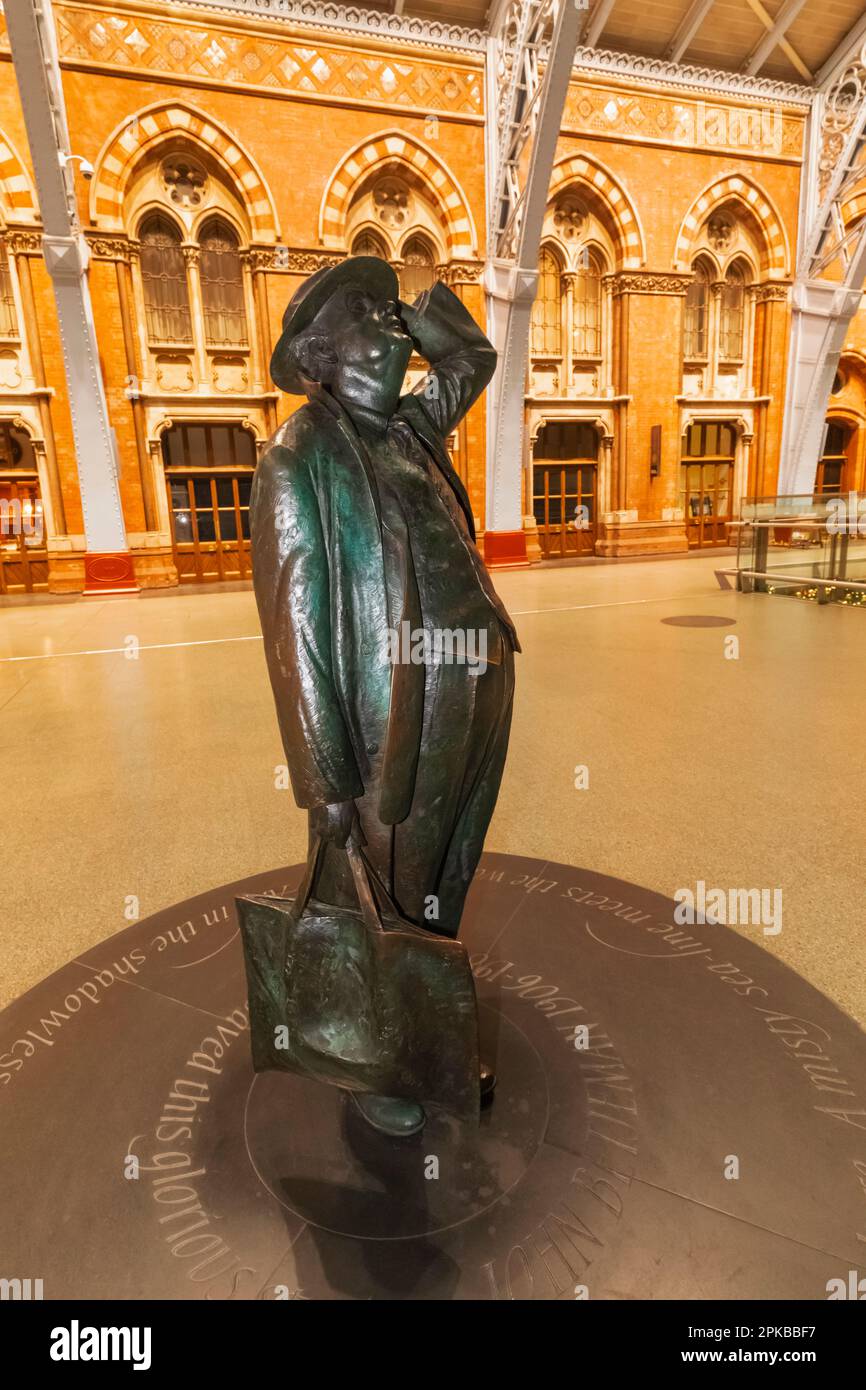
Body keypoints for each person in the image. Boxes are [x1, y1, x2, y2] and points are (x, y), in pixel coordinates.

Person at [250, 256, 519, 1136]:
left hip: (474, 685)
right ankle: (383, 1061)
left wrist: (421, 306)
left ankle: (425, 1027)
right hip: (389, 718)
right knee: (390, 890)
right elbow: (294, 633)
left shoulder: (409, 427)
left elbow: (471, 361)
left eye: (391, 310)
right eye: (374, 314)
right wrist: (324, 780)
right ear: (325, 353)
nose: (393, 325)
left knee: (444, 877)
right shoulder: (303, 455)